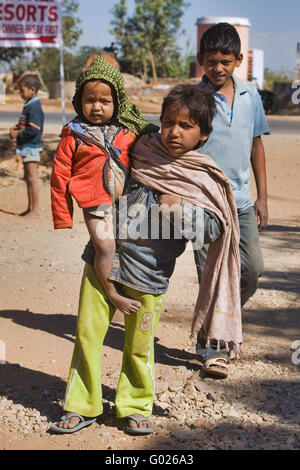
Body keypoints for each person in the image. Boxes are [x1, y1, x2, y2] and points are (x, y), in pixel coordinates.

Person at [49, 84, 242, 435]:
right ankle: (81, 404)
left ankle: (136, 405)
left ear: (204, 134)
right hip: (103, 262)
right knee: (87, 335)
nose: (174, 132)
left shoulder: (202, 174)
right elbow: (104, 141)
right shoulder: (142, 148)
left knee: (139, 346)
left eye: (186, 126)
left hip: (149, 275)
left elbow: (214, 227)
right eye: (169, 122)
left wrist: (180, 209)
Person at [50, 56, 157, 315]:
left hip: (128, 203)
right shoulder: (73, 135)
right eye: (90, 100)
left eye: (104, 101)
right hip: (94, 203)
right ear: (79, 101)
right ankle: (111, 293)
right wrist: (63, 215)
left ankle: (127, 284)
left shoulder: (129, 130)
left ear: (116, 102)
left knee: (127, 247)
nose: (97, 107)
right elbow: (59, 177)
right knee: (106, 246)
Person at [194, 22, 270, 377]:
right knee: (209, 277)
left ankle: (224, 318)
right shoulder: (193, 101)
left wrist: (263, 198)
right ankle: (212, 348)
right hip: (203, 202)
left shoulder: (251, 96)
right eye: (211, 62)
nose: (218, 68)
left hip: (241, 201)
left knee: (253, 269)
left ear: (238, 60)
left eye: (225, 61)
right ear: (200, 61)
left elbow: (257, 145)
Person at [9, 74, 44, 218]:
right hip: (27, 146)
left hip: (31, 146)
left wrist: (18, 134)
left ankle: (35, 210)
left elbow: (34, 129)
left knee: (32, 177)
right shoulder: (29, 104)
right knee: (27, 176)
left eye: (22, 90)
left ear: (32, 90)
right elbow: (25, 124)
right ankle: (30, 208)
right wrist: (16, 129)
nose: (20, 93)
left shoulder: (34, 107)